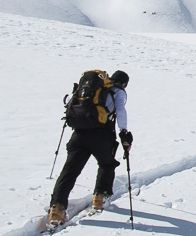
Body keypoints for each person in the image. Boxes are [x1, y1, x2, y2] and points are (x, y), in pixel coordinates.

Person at [49, 70, 133, 226]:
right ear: (124, 83)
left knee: (70, 170)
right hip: (101, 135)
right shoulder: (118, 92)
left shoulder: (93, 89)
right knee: (107, 164)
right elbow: (120, 110)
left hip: (79, 134)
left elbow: (69, 101)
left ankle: (57, 208)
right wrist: (124, 132)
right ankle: (100, 197)